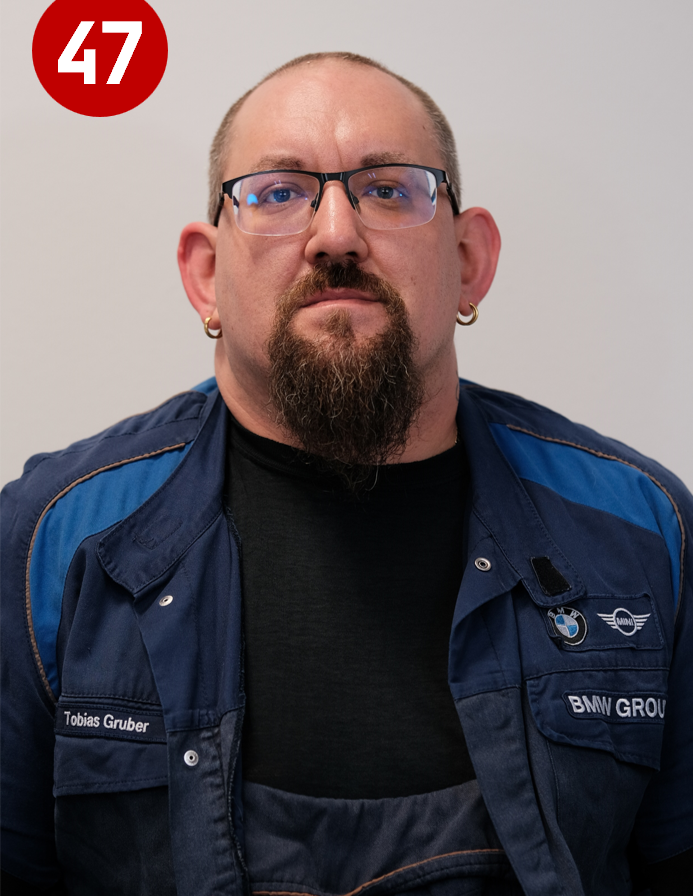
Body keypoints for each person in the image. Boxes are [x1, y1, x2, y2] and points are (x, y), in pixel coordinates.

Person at [0, 51, 691, 896]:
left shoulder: (641, 532)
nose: (335, 234)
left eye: (389, 189)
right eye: (277, 193)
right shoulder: (53, 542)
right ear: (206, 275)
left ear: (469, 259)